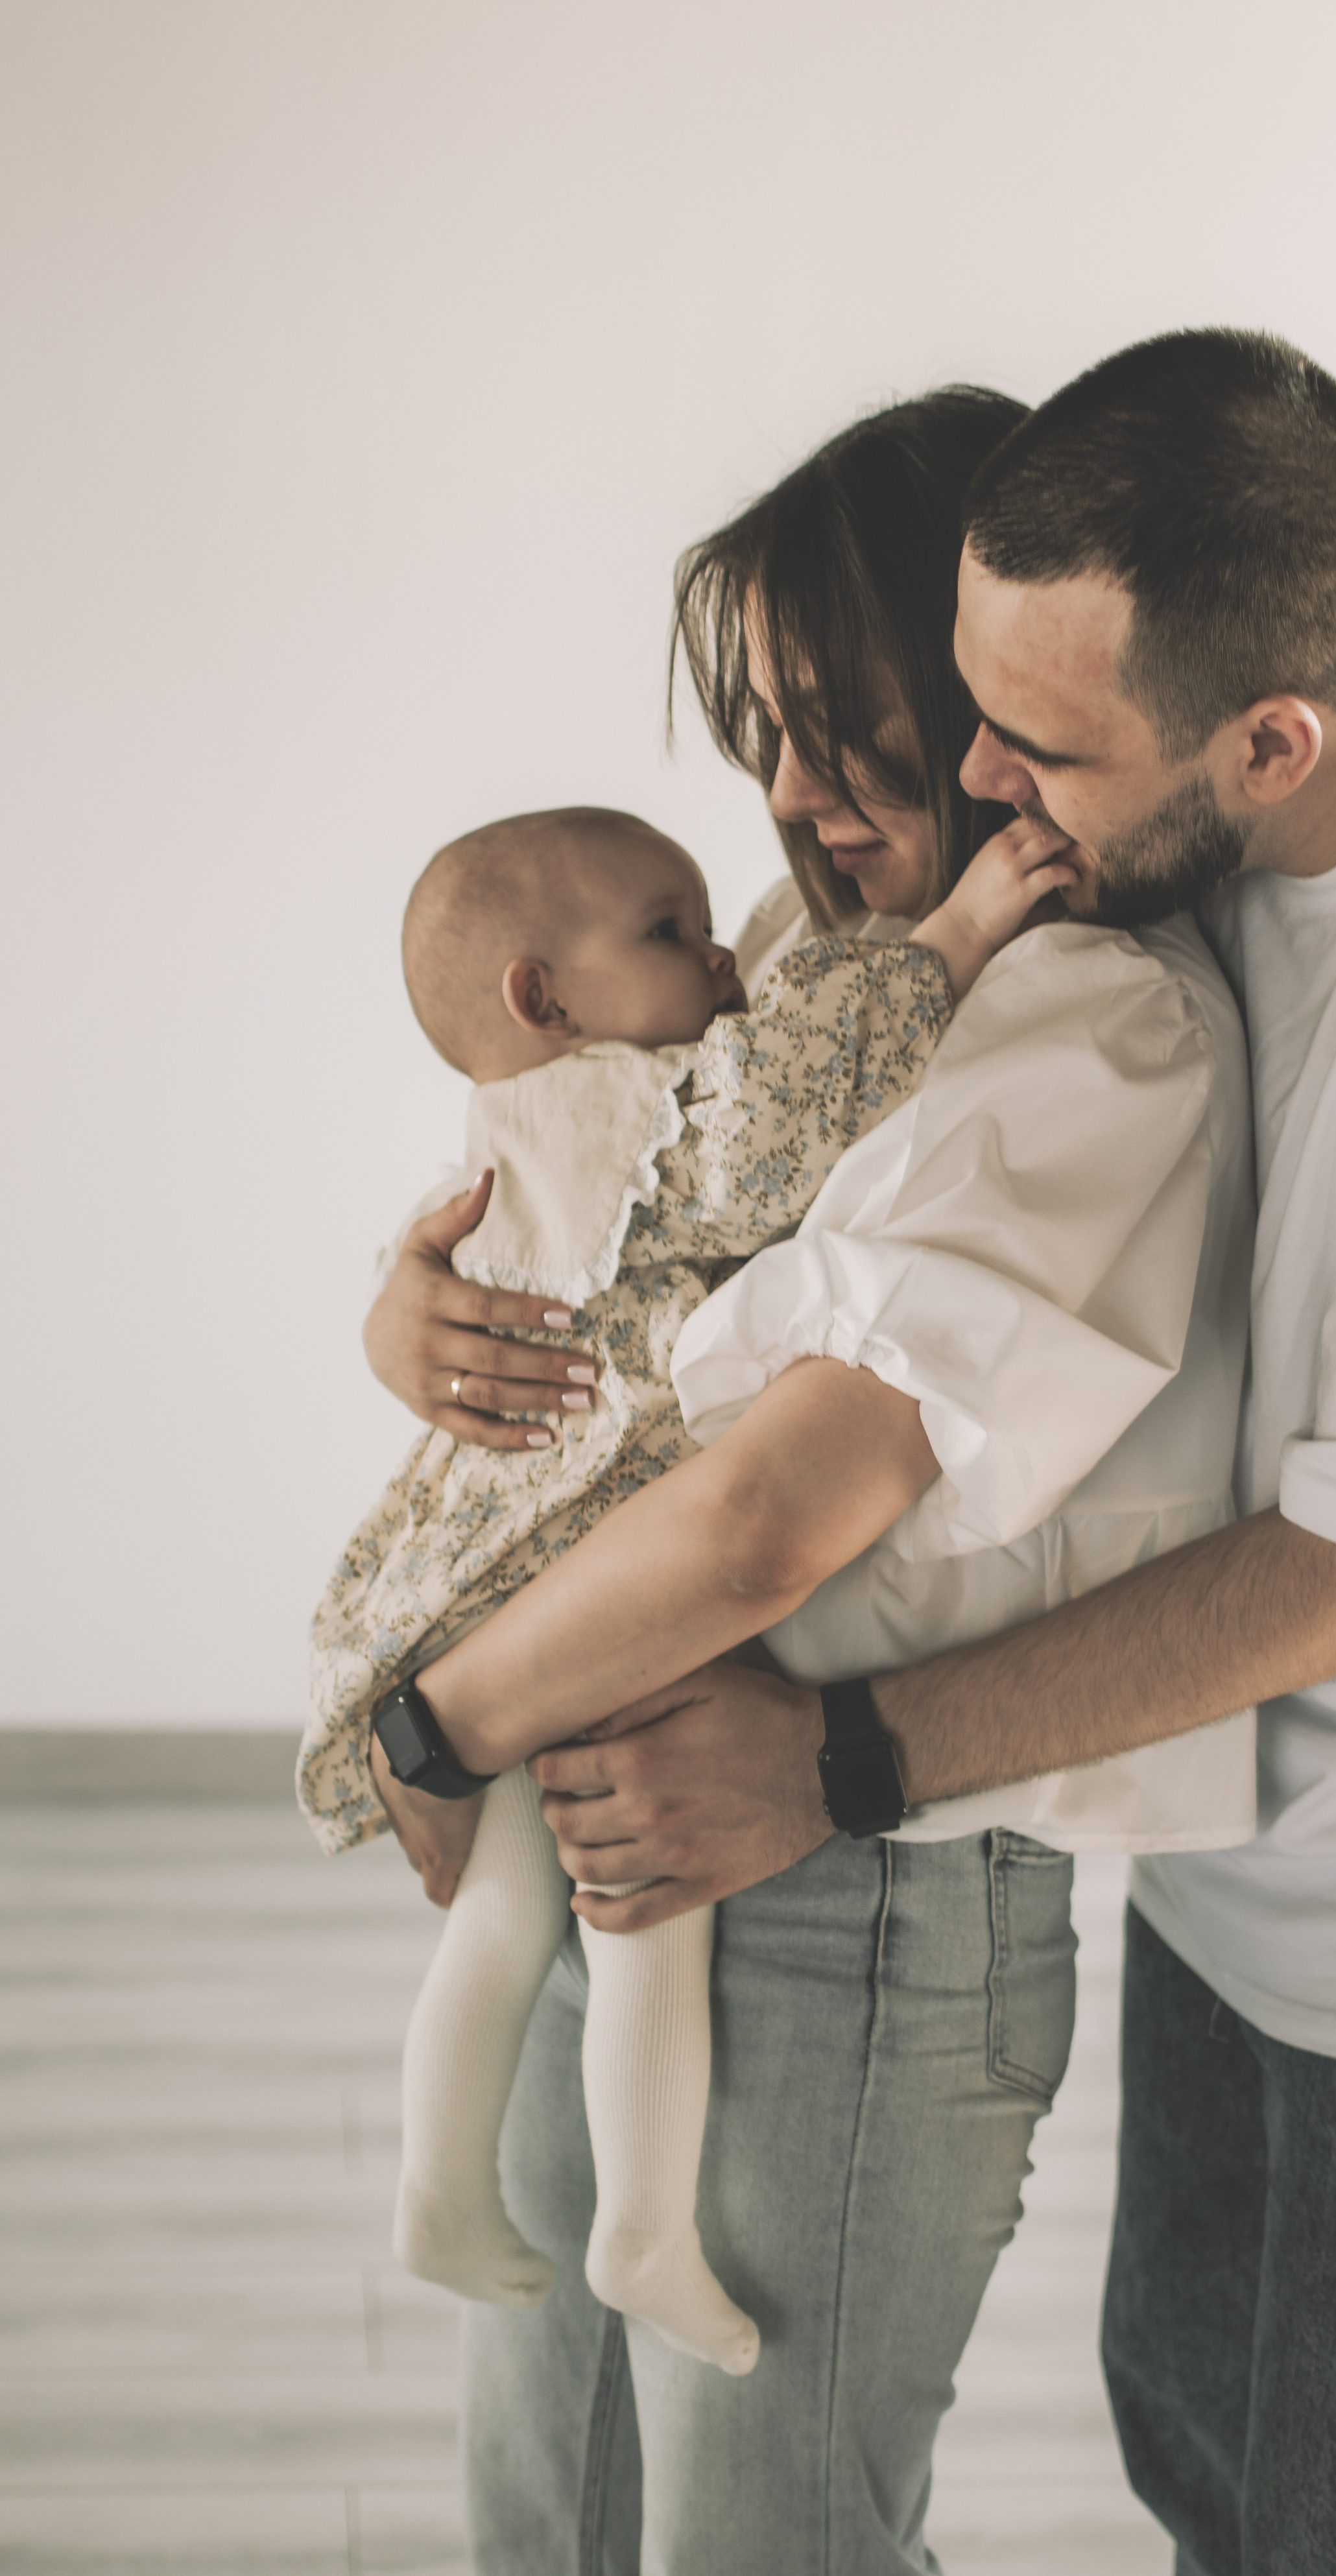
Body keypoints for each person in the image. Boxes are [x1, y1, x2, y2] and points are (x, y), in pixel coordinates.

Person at [512, 332, 1336, 2574]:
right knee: (1217, 2495)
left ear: (1266, 738)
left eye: (1036, 743)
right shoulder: (1217, 806)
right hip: (1256, 1894)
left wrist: (838, 1761)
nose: (971, 770)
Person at [361, 387, 1258, 2573]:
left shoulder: (1092, 1029)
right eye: (761, 725)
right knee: (538, 2513)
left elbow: (780, 1506)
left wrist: (429, 1711)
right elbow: (591, 1230)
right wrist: (405, 1315)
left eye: (842, 719)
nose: (790, 790)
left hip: (849, 1901)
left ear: (989, 705)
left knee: (760, 2546)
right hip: (620, 1812)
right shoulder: (793, 970)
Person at [300, 796, 1074, 2368]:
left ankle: (448, 2191)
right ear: (545, 997)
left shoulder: (540, 1110)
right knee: (636, 1899)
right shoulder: (626, 1105)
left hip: (514, 1577)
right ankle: (639, 2228)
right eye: (666, 934)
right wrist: (960, 933)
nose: (721, 955)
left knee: (516, 1906)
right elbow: (771, 1133)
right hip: (578, 1568)